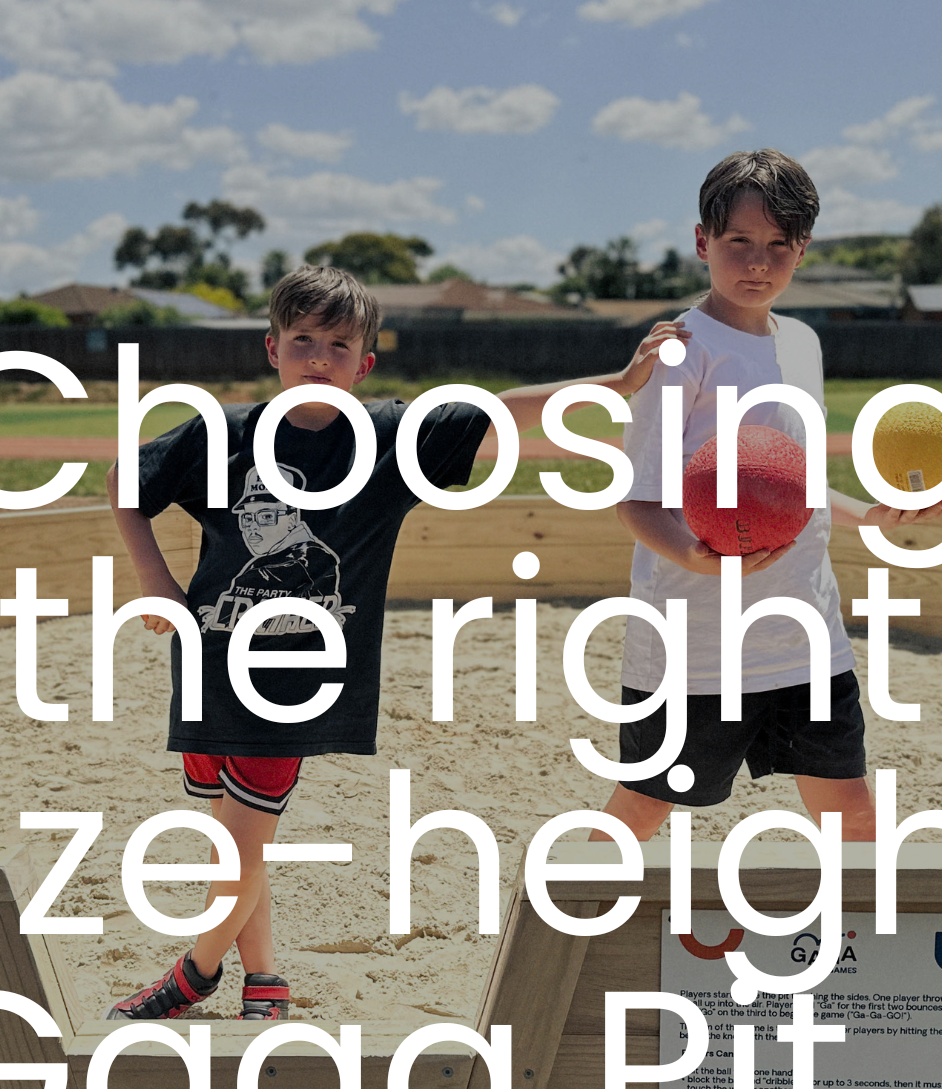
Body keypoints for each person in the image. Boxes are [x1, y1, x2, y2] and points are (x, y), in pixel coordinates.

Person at [106, 264, 686, 1022]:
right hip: (209, 662)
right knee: (235, 838)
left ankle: (195, 972)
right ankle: (267, 978)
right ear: (271, 347)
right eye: (304, 340)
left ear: (365, 363)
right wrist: (154, 579)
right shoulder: (224, 434)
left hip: (298, 683)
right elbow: (128, 480)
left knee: (245, 841)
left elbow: (498, 413)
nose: (319, 357)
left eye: (339, 346)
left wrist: (616, 383)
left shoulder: (389, 439)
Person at [589, 148, 942, 849]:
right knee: (643, 805)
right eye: (739, 243)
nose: (759, 262)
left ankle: (866, 950)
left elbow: (797, 481)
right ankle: (567, 917)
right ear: (702, 242)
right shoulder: (681, 350)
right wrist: (698, 560)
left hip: (806, 635)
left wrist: (868, 515)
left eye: (779, 246)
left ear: (803, 250)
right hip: (697, 646)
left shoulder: (805, 343)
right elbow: (636, 502)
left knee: (852, 812)